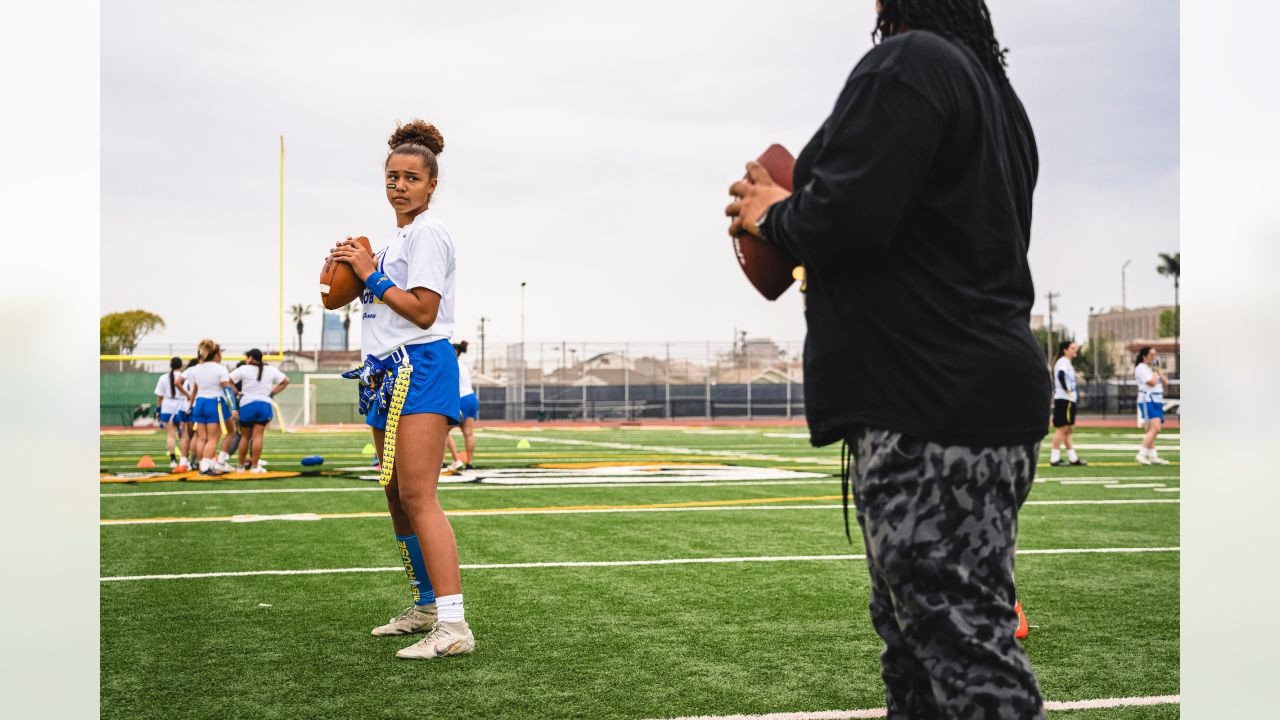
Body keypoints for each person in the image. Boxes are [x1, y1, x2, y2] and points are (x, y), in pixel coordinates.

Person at [724, 1, 1046, 716]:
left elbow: (845, 219)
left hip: (929, 405)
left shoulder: (910, 63)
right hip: (976, 396)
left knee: (963, 652)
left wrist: (772, 212)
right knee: (918, 654)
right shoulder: (998, 96)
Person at [329, 119, 474, 659]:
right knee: (395, 494)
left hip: (420, 365)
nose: (400, 186)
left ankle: (455, 627)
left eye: (412, 178)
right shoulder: (396, 240)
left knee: (418, 495)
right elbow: (349, 299)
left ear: (431, 184)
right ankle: (428, 605)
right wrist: (348, 270)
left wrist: (370, 274)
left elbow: (422, 310)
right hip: (386, 373)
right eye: (393, 177)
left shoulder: (429, 233)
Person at [230, 348, 290, 473]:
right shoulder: (271, 370)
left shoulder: (244, 369)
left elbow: (228, 380)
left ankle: (240, 466)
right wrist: (272, 393)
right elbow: (285, 381)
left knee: (245, 437)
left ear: (251, 358)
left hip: (247, 405)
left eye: (247, 357)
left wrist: (236, 394)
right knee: (258, 436)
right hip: (264, 405)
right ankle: (254, 466)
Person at [185, 339, 236, 475]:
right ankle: (206, 467)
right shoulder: (220, 368)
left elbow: (194, 391)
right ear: (216, 353)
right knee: (213, 438)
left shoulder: (196, 368)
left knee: (202, 438)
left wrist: (190, 406)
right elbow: (228, 390)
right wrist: (234, 408)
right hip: (214, 403)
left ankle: (204, 463)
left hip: (199, 403)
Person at [1050, 340, 1087, 466]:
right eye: (1072, 348)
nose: (1075, 350)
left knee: (1068, 429)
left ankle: (1073, 458)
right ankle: (1054, 458)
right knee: (1062, 428)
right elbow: (1060, 375)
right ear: (1065, 350)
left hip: (1067, 399)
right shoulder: (1063, 362)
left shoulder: (1066, 363)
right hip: (1064, 399)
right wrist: (1068, 390)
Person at [445, 340, 479, 472]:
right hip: (472, 397)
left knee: (442, 432)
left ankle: (455, 460)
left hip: (462, 399)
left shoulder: (450, 364)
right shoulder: (463, 365)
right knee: (468, 433)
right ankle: (469, 463)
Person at [1134, 346, 1170, 465]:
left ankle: (1153, 455)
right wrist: (1155, 371)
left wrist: (1158, 370)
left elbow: (1165, 382)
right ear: (1145, 356)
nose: (1154, 357)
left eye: (1155, 355)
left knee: (1151, 430)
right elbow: (1152, 382)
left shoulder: (1153, 368)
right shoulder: (1141, 368)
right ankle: (1141, 454)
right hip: (1148, 399)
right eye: (1152, 355)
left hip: (1157, 399)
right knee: (1155, 429)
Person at [153, 356, 187, 469]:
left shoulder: (163, 377)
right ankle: (184, 460)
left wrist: (158, 410)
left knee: (170, 435)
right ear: (181, 366)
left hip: (167, 407)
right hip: (181, 406)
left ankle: (173, 460)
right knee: (183, 436)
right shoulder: (184, 376)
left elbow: (159, 397)